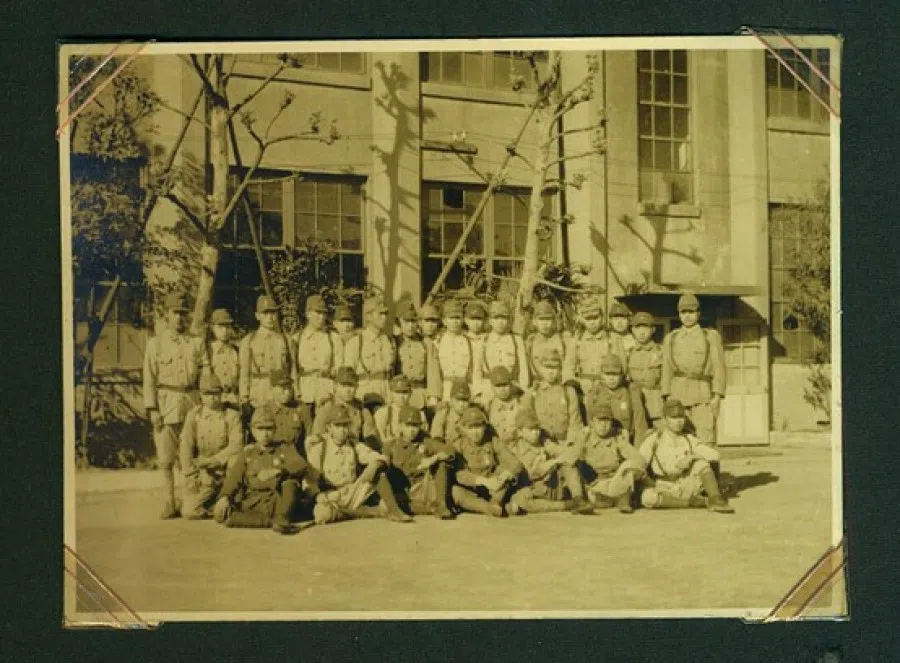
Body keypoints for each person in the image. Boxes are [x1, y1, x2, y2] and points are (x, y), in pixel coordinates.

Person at [143, 293, 206, 519]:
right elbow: (149, 378)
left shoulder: (196, 343)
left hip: (191, 404)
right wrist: (152, 409)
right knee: (166, 459)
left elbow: (205, 374)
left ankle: (190, 500)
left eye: (183, 313)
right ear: (166, 315)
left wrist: (203, 406)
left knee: (189, 457)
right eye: (175, 313)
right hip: (166, 404)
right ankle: (169, 501)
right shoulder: (155, 344)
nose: (180, 318)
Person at [213, 407, 320, 534]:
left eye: (269, 428)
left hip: (281, 503)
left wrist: (279, 470)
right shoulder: (247, 454)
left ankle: (282, 518)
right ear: (253, 430)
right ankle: (274, 522)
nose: (265, 433)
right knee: (225, 516)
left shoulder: (285, 448)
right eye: (260, 429)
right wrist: (224, 497)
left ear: (275, 430)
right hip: (255, 503)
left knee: (290, 483)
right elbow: (233, 479)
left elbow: (301, 465)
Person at [305, 402, 413, 524]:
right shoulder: (320, 449)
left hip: (354, 492)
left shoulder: (353, 445)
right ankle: (366, 512)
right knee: (322, 514)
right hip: (332, 496)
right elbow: (309, 481)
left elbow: (378, 457)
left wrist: (375, 463)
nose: (343, 430)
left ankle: (394, 512)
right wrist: (318, 496)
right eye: (338, 425)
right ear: (329, 427)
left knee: (378, 472)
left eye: (346, 425)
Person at [639, 399, 733, 513]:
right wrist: (650, 482)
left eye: (681, 417)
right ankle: (694, 502)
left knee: (701, 463)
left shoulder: (688, 439)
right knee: (647, 497)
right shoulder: (654, 440)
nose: (679, 421)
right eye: (674, 418)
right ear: (664, 420)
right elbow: (640, 463)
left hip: (686, 483)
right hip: (664, 485)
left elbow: (715, 455)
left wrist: (692, 457)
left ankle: (715, 499)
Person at [661, 293, 727, 447]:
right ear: (678, 314)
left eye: (691, 312)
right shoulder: (671, 338)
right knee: (679, 439)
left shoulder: (710, 336)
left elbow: (718, 367)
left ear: (698, 313)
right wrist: (666, 395)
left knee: (705, 438)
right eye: (683, 312)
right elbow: (667, 368)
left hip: (702, 395)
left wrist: (717, 395)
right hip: (677, 394)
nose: (687, 316)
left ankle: (708, 470)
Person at [178, 374, 244, 520]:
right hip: (205, 473)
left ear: (221, 394)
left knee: (235, 460)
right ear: (201, 395)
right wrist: (190, 475)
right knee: (189, 512)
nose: (213, 398)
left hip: (226, 471)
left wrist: (214, 460)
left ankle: (230, 500)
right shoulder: (194, 416)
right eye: (208, 394)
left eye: (216, 393)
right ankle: (213, 506)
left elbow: (236, 446)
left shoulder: (231, 415)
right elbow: (186, 448)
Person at [504, 408, 591, 515]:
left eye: (537, 428)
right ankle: (567, 505)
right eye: (530, 429)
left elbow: (563, 452)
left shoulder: (544, 442)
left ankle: (578, 499)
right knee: (520, 501)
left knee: (568, 465)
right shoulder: (516, 450)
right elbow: (532, 473)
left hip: (554, 486)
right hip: (534, 489)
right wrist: (554, 462)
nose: (535, 433)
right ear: (520, 432)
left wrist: (579, 443)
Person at [569, 400, 646, 514]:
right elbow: (570, 459)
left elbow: (638, 459)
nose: (603, 425)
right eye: (599, 421)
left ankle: (623, 500)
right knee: (572, 467)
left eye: (607, 421)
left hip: (615, 481)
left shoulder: (617, 437)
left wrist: (629, 471)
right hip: (595, 484)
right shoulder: (585, 436)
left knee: (630, 465)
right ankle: (613, 500)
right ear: (592, 422)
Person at [382, 405, 456, 520]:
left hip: (422, 489)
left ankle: (441, 504)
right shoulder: (391, 445)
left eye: (416, 426)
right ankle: (428, 509)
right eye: (408, 425)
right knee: (386, 503)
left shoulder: (425, 442)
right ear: (400, 425)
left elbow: (449, 450)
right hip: (403, 492)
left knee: (442, 464)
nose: (412, 430)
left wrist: (433, 458)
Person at [450, 406, 522, 517]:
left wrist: (504, 476)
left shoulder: (493, 441)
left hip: (494, 489)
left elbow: (515, 463)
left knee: (503, 470)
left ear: (485, 427)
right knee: (454, 491)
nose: (475, 432)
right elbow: (459, 474)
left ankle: (496, 502)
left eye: (479, 427)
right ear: (464, 428)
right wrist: (483, 481)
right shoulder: (459, 445)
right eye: (471, 427)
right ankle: (491, 508)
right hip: (471, 490)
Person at [239, 294, 292, 410]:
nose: (270, 317)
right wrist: (244, 397)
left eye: (273, 313)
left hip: (280, 393)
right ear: (257, 316)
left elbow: (292, 369)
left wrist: (295, 392)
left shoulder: (285, 339)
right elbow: (244, 372)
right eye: (265, 313)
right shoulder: (249, 341)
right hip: (259, 394)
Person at [521, 348, 582, 446]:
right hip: (541, 443)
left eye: (554, 368)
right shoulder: (532, 393)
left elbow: (575, 424)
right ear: (540, 369)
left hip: (564, 442)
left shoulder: (569, 392)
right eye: (547, 367)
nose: (550, 372)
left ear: (560, 370)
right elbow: (527, 423)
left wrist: (570, 444)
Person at [294, 295, 342, 418]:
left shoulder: (333, 338)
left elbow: (339, 368)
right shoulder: (297, 338)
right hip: (305, 391)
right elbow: (292, 368)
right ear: (308, 314)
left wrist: (335, 392)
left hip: (326, 390)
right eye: (317, 313)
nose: (321, 317)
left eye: (324, 313)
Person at [342, 297, 396, 406]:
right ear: (369, 316)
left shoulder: (390, 341)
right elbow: (348, 375)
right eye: (380, 314)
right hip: (364, 394)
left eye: (386, 314)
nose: (384, 317)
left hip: (386, 393)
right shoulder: (356, 342)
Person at [312, 366, 381, 450]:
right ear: (336, 386)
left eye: (351, 386)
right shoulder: (327, 408)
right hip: (332, 453)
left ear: (356, 387)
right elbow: (316, 437)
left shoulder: (361, 409)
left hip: (355, 451)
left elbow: (370, 435)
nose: (348, 390)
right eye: (344, 386)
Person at [588, 354, 648, 445]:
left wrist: (638, 450)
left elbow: (640, 426)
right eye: (607, 374)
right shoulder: (595, 394)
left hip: (626, 442)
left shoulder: (631, 393)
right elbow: (591, 423)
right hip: (603, 445)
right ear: (602, 375)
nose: (611, 378)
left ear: (621, 375)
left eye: (615, 374)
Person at [565, 296, 617, 398]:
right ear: (583, 319)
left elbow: (622, 368)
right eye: (588, 319)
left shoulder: (612, 339)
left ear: (602, 317)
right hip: (583, 391)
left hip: (608, 391)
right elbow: (568, 367)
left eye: (595, 317)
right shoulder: (577, 340)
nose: (592, 322)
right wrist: (574, 387)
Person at [394, 301, 442, 411]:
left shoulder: (426, 343)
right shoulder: (394, 342)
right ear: (399, 322)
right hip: (398, 396)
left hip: (420, 395)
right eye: (406, 321)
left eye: (413, 321)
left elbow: (433, 373)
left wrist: (433, 397)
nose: (410, 326)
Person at [480, 300, 530, 394]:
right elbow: (477, 370)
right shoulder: (483, 340)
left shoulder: (516, 340)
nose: (500, 322)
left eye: (504, 318)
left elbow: (523, 367)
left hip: (511, 386)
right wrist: (479, 391)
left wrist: (523, 387)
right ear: (490, 321)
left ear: (509, 320)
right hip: (489, 387)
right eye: (496, 318)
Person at [434, 299, 478, 401]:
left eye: (458, 318)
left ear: (463, 320)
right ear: (444, 321)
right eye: (451, 318)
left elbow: (474, 369)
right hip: (444, 389)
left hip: (464, 389)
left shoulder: (470, 342)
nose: (455, 321)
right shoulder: (437, 342)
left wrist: (475, 392)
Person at [628, 312, 665, 430]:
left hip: (656, 405)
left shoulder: (661, 352)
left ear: (653, 329)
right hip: (636, 404)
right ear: (633, 330)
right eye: (638, 328)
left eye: (646, 327)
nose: (642, 332)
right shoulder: (628, 353)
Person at [266, 368, 314, 453]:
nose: (287, 392)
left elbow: (310, 440)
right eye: (283, 388)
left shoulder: (302, 409)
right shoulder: (264, 411)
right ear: (272, 388)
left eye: (289, 387)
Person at [373, 375, 428, 443]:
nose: (401, 396)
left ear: (410, 393)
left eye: (405, 392)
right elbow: (381, 439)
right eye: (398, 392)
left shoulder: (419, 414)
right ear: (391, 393)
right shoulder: (382, 413)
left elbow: (423, 438)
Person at [526, 300, 571, 380]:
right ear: (534, 321)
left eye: (548, 319)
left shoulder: (563, 339)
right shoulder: (530, 341)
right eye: (541, 319)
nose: (545, 323)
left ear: (554, 321)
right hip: (537, 384)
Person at [205, 308, 240, 406]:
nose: (225, 330)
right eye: (220, 326)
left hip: (234, 400)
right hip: (214, 400)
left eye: (228, 326)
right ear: (212, 327)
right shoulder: (207, 351)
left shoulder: (236, 351)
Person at [483, 366, 526, 442]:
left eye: (505, 385)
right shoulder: (488, 406)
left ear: (510, 385)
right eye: (498, 386)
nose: (502, 389)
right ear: (492, 387)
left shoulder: (519, 404)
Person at [430, 380, 474, 450]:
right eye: (458, 400)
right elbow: (436, 440)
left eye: (465, 400)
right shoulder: (443, 414)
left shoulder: (474, 415)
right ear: (451, 400)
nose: (462, 404)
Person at [607, 301, 635, 367]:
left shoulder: (635, 340)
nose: (619, 322)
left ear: (629, 320)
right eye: (616, 319)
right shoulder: (606, 338)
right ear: (610, 321)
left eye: (623, 318)